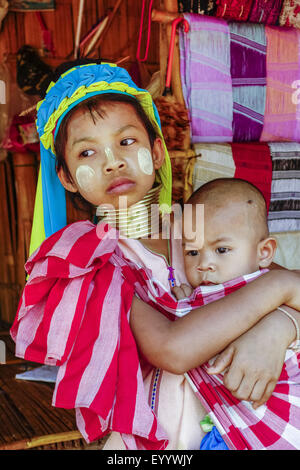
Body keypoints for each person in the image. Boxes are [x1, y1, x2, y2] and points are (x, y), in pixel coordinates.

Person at [10, 61, 300, 451]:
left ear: (158, 151)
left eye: (126, 142)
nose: (111, 161)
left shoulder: (199, 220)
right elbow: (172, 351)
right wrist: (281, 286)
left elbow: (287, 289)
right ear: (65, 177)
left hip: (255, 419)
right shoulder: (93, 259)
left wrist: (278, 328)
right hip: (167, 440)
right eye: (88, 152)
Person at [168, 177, 300, 449]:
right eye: (192, 252)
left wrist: (185, 311)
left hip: (275, 420)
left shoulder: (253, 290)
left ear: (264, 252)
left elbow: (199, 341)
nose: (204, 264)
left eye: (222, 249)